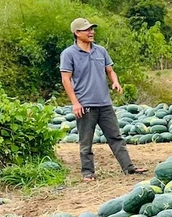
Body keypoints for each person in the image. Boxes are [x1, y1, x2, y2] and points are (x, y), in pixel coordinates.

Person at [59, 18, 146, 181]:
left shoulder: (101, 51)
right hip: (85, 105)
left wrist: (115, 81)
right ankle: (87, 173)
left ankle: (129, 168)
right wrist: (75, 103)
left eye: (92, 29)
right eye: (87, 30)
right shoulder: (68, 54)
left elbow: (110, 70)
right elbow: (66, 80)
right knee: (86, 142)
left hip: (105, 103)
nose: (91, 32)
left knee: (116, 137)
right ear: (77, 33)